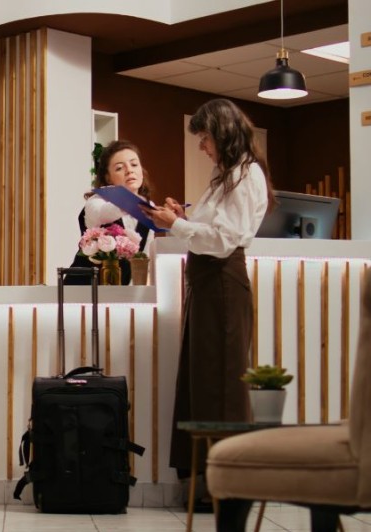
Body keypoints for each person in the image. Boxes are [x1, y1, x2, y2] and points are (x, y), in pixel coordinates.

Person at [143, 98, 272, 510]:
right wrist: (181, 217)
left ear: (222, 133)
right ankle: (203, 482)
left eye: (204, 138)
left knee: (223, 382)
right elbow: (211, 228)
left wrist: (178, 225)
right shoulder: (224, 176)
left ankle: (228, 485)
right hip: (206, 283)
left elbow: (223, 240)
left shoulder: (246, 175)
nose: (201, 147)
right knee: (201, 379)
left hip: (223, 283)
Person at [68, 140, 153, 285]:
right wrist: (133, 200)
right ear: (108, 177)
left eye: (134, 164)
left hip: (120, 291)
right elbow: (105, 213)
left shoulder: (149, 208)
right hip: (83, 288)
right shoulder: (96, 202)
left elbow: (144, 257)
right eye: (119, 168)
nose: (129, 170)